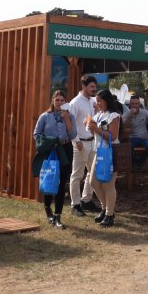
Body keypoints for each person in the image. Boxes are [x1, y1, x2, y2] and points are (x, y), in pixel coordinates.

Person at [32, 91, 75, 229]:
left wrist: (67, 118)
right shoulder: (45, 116)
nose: (60, 102)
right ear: (53, 101)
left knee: (62, 183)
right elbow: (36, 134)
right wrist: (49, 141)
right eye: (57, 100)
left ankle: (58, 216)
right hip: (50, 150)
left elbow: (73, 134)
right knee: (50, 180)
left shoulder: (70, 115)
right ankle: (47, 208)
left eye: (62, 100)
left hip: (65, 149)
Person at [87, 89, 123, 227]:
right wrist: (90, 126)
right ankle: (105, 209)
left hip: (110, 151)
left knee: (108, 184)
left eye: (100, 101)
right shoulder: (98, 115)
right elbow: (94, 130)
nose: (98, 104)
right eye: (97, 101)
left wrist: (95, 129)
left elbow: (113, 136)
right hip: (99, 151)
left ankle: (109, 214)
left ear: (107, 101)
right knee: (93, 182)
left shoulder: (114, 115)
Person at [68, 76, 100, 217]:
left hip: (92, 142)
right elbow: (70, 125)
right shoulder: (75, 103)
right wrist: (77, 141)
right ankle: (75, 205)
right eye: (91, 87)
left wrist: (97, 109)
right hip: (80, 143)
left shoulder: (93, 101)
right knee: (77, 175)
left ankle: (86, 200)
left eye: (94, 87)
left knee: (92, 173)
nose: (94, 89)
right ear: (84, 86)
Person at [122, 95, 148, 168]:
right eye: (133, 104)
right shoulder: (127, 113)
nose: (134, 105)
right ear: (130, 104)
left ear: (139, 104)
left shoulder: (144, 112)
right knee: (127, 148)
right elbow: (122, 125)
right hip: (132, 137)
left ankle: (140, 161)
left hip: (144, 137)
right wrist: (131, 115)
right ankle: (134, 163)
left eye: (136, 104)